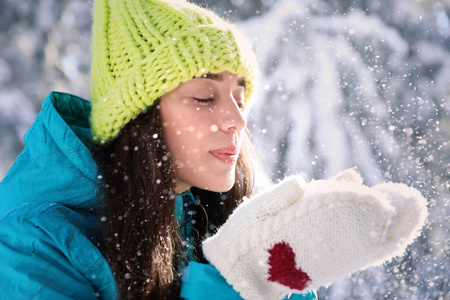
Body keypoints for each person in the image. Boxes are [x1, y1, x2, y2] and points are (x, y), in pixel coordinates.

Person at [0, 0, 427, 299]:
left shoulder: (198, 208)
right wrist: (235, 280)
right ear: (139, 118)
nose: (237, 121)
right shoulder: (30, 238)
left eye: (239, 99)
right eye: (205, 97)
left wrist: (284, 274)